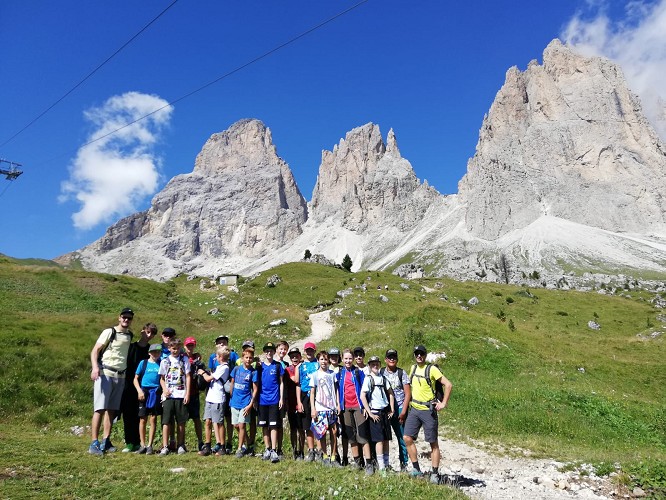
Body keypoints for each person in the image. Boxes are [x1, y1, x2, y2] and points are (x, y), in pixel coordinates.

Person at [88, 307, 135, 455]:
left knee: (112, 410)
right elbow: (95, 350)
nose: (126, 320)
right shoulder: (110, 332)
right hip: (105, 373)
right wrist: (95, 368)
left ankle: (106, 441)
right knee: (100, 408)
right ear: (119, 317)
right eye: (124, 317)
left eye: (129, 318)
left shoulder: (129, 335)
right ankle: (94, 443)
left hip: (120, 375)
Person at [403, 345, 453, 483]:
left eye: (421, 354)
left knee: (433, 443)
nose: (419, 356)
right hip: (414, 409)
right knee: (407, 437)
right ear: (414, 355)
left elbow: (448, 385)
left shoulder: (432, 369)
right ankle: (416, 469)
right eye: (417, 354)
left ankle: (435, 473)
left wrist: (443, 403)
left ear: (425, 355)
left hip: (428, 410)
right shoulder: (413, 368)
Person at [120, 322, 157, 452]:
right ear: (142, 331)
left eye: (152, 333)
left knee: (140, 414)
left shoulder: (150, 351)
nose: (150, 335)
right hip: (129, 384)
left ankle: (140, 443)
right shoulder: (131, 347)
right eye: (148, 332)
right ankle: (130, 442)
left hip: (145, 387)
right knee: (128, 413)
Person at [336, 349, 371, 469]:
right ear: (342, 358)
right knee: (351, 435)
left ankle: (369, 463)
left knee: (362, 434)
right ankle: (357, 462)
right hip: (345, 407)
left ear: (353, 359)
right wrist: (338, 404)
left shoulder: (358, 372)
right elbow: (336, 390)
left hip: (358, 406)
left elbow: (364, 390)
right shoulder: (340, 373)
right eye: (345, 358)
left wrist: (365, 406)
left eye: (350, 358)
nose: (348, 361)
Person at [360, 356, 395, 476]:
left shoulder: (383, 378)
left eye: (377, 364)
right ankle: (381, 468)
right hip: (375, 412)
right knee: (379, 441)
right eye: (372, 364)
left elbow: (390, 393)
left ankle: (386, 464)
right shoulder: (368, 379)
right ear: (369, 366)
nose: (375, 366)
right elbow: (362, 396)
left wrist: (392, 409)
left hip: (384, 411)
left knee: (386, 440)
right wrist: (369, 412)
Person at [158, 336, 191, 456]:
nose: (175, 350)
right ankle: (165, 445)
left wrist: (187, 393)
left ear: (180, 348)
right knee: (166, 421)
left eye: (177, 348)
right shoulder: (165, 361)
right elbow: (161, 378)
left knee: (181, 421)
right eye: (173, 348)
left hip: (181, 394)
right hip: (168, 395)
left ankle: (181, 444)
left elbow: (187, 376)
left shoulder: (184, 360)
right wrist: (164, 389)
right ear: (169, 348)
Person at [197, 345, 231, 456]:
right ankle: (207, 445)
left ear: (221, 357)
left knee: (219, 422)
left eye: (217, 355)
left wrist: (202, 372)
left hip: (218, 398)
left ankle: (222, 446)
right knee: (208, 421)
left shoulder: (224, 368)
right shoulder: (219, 367)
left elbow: (208, 378)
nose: (215, 357)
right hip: (210, 397)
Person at [208, 334, 238, 454]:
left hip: (229, 388)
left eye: (224, 342)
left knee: (228, 417)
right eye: (219, 342)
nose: (221, 344)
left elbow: (237, 367)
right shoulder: (212, 356)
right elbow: (211, 370)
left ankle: (229, 442)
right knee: (217, 418)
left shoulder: (233, 354)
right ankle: (219, 443)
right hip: (217, 390)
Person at [382, 348, 411, 471]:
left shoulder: (402, 373)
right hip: (385, 409)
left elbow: (408, 394)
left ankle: (404, 464)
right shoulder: (381, 372)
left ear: (397, 359)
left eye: (394, 357)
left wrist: (404, 411)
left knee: (402, 437)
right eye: (390, 357)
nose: (392, 359)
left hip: (399, 408)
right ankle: (383, 463)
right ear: (385, 359)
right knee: (383, 437)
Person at [310, 351, 340, 467]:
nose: (324, 362)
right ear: (318, 361)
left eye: (326, 359)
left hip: (331, 408)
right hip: (320, 408)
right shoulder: (315, 375)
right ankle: (325, 456)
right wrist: (313, 409)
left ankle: (334, 456)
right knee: (321, 433)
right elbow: (312, 393)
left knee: (334, 432)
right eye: (321, 359)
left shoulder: (332, 374)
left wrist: (338, 404)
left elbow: (336, 390)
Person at [133, 343, 163, 455]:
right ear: (149, 353)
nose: (156, 354)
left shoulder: (161, 363)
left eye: (158, 352)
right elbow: (135, 379)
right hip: (144, 391)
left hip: (155, 392)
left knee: (153, 418)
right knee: (142, 418)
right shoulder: (143, 363)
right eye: (154, 352)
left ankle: (150, 445)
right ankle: (142, 444)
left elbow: (162, 378)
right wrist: (139, 391)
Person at [258, 342, 285, 463]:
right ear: (264, 352)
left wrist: (281, 398)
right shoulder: (260, 367)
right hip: (262, 400)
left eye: (271, 351)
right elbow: (256, 384)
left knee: (274, 426)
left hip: (274, 400)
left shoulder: (278, 365)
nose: (269, 353)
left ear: (274, 352)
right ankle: (267, 448)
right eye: (267, 351)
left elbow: (281, 383)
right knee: (264, 426)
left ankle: (274, 450)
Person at [229, 346, 258, 458]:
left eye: (250, 358)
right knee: (235, 425)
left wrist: (250, 404)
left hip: (245, 402)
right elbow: (232, 382)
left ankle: (239, 448)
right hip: (234, 401)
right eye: (246, 357)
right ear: (242, 358)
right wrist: (231, 395)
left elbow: (255, 389)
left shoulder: (253, 372)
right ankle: (248, 443)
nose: (248, 360)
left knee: (242, 425)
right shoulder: (236, 369)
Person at [295, 341, 319, 462]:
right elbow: (298, 384)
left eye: (311, 350)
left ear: (314, 351)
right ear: (304, 352)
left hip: (318, 395)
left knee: (319, 423)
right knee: (308, 424)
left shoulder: (319, 364)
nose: (309, 352)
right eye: (307, 350)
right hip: (305, 395)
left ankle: (320, 451)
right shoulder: (301, 366)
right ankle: (311, 450)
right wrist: (299, 401)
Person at [184, 336, 204, 451]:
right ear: (184, 346)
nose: (190, 348)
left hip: (194, 392)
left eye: (191, 345)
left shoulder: (197, 359)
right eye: (188, 345)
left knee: (196, 418)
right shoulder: (181, 357)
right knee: (182, 419)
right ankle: (180, 442)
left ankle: (200, 441)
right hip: (183, 392)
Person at [285, 346, 304, 460]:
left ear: (300, 356)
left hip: (302, 402)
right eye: (292, 356)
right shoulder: (288, 370)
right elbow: (294, 380)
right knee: (293, 428)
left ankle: (301, 451)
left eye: (296, 356)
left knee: (301, 428)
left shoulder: (303, 368)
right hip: (291, 403)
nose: (294, 358)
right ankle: (294, 450)